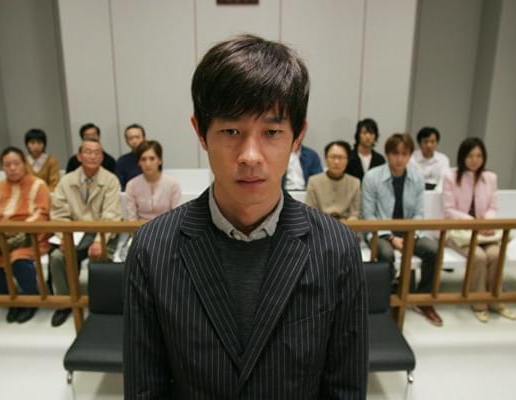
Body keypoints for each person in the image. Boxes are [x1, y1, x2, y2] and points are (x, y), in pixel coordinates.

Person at [123, 35, 368, 399]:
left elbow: (344, 390)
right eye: (231, 131)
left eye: (271, 132)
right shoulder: (152, 249)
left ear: (297, 137)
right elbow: (146, 390)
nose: (250, 155)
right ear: (201, 133)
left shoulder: (337, 249)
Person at [362, 133, 443, 326]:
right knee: (386, 253)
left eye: (404, 154)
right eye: (395, 153)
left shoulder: (416, 178)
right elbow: (368, 215)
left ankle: (423, 300)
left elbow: (418, 213)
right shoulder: (372, 177)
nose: (399, 158)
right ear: (388, 154)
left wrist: (409, 235)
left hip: (409, 231)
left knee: (433, 250)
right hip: (378, 231)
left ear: (409, 155)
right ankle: (385, 301)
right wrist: (390, 237)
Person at [442, 137, 516, 323]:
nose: (475, 160)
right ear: (462, 157)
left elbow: (493, 206)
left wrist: (486, 222)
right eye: (470, 156)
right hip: (460, 232)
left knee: (496, 255)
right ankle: (479, 303)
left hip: (485, 232)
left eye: (479, 155)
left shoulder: (490, 177)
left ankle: (496, 300)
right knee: (479, 257)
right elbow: (449, 209)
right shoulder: (450, 177)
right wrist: (474, 222)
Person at [49, 138, 122, 327]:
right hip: (74, 232)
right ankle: (65, 303)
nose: (92, 156)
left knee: (101, 257)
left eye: (97, 152)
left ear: (102, 157)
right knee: (57, 257)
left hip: (101, 232)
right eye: (88, 152)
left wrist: (100, 240)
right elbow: (58, 213)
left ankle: (100, 304)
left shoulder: (111, 180)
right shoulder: (67, 180)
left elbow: (112, 215)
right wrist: (63, 236)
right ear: (79, 156)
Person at [0, 146, 51, 324]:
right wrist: (0, 231)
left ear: (24, 164)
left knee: (18, 259)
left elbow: (42, 214)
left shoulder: (38, 185)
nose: (12, 168)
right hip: (1, 238)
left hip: (30, 237)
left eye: (16, 163)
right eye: (7, 164)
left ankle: (30, 301)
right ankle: (13, 300)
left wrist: (17, 229)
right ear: (2, 167)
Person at [305, 140, 361, 221]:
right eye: (333, 157)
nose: (336, 161)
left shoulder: (355, 183)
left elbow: (355, 214)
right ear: (326, 159)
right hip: (321, 226)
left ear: (347, 160)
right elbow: (310, 212)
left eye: (341, 157)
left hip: (347, 228)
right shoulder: (313, 181)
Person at [125, 140, 181, 221]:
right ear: (139, 162)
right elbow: (132, 217)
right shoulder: (132, 185)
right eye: (143, 159)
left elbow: (176, 217)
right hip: (140, 229)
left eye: (152, 159)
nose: (148, 163)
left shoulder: (173, 184)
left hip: (166, 229)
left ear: (160, 160)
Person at [410, 126, 450, 190]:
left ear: (437, 142)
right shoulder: (411, 158)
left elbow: (443, 181)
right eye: (425, 142)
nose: (429, 145)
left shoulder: (443, 159)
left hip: (436, 193)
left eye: (432, 141)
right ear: (420, 143)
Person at [116, 123, 146, 190]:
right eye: (130, 138)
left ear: (144, 138)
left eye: (137, 137)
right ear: (126, 141)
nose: (134, 141)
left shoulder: (152, 157)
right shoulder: (122, 161)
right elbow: (121, 187)